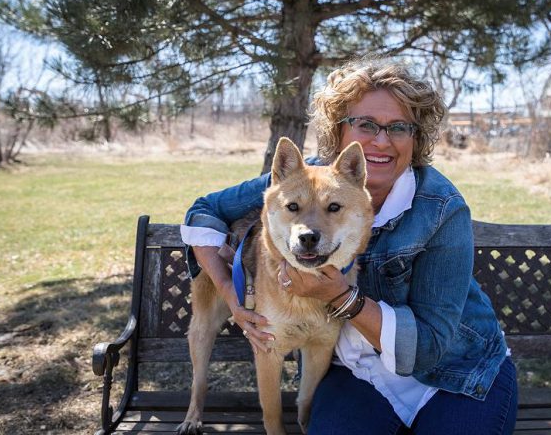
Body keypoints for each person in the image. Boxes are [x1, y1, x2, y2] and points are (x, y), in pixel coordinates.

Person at [181, 58, 518, 434]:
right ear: (338, 131)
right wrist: (229, 291)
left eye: (399, 127)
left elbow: (428, 347)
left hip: (455, 373)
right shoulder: (304, 178)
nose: (381, 140)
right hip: (358, 374)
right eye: (365, 124)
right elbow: (205, 210)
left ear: (416, 137)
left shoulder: (441, 209)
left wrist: (342, 297)